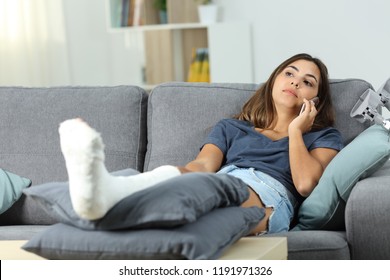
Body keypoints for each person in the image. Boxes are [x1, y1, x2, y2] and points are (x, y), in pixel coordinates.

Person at [58, 53, 344, 235]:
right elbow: (203, 165)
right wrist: (179, 177)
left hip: (271, 197)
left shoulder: (322, 137)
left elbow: (305, 184)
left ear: (316, 99)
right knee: (194, 189)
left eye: (307, 82)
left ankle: (112, 195)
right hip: (220, 181)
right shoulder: (232, 127)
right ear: (273, 81)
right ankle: (109, 190)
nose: (295, 82)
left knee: (216, 204)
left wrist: (296, 131)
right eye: (289, 73)